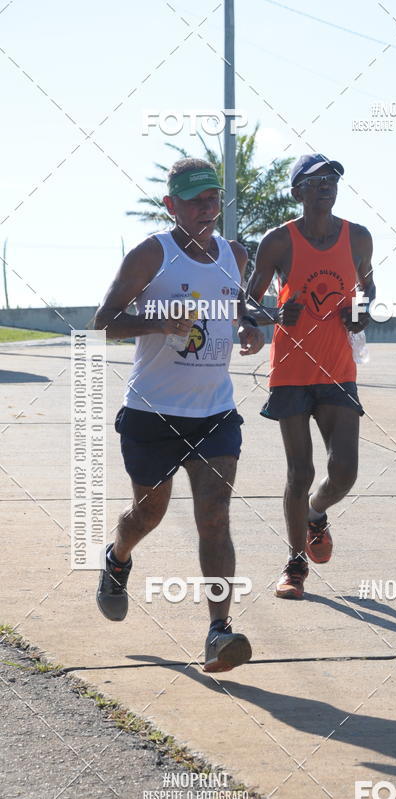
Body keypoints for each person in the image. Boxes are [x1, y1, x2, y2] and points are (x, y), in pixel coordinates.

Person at [94, 158, 264, 672]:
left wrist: (252, 323)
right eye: (194, 201)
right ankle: (117, 558)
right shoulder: (152, 254)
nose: (207, 209)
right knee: (148, 514)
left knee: (214, 518)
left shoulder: (235, 254)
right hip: (152, 412)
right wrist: (157, 320)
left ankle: (219, 632)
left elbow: (238, 305)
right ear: (171, 206)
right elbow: (104, 323)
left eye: (213, 198)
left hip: (215, 412)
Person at [244, 153, 374, 599]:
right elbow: (247, 303)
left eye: (333, 178)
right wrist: (276, 313)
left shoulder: (358, 237)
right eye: (316, 180)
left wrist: (361, 312)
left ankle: (316, 514)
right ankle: (295, 565)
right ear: (297, 191)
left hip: (338, 368)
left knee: (344, 471)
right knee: (299, 472)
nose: (327, 185)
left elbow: (368, 289)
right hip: (291, 371)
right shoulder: (278, 241)